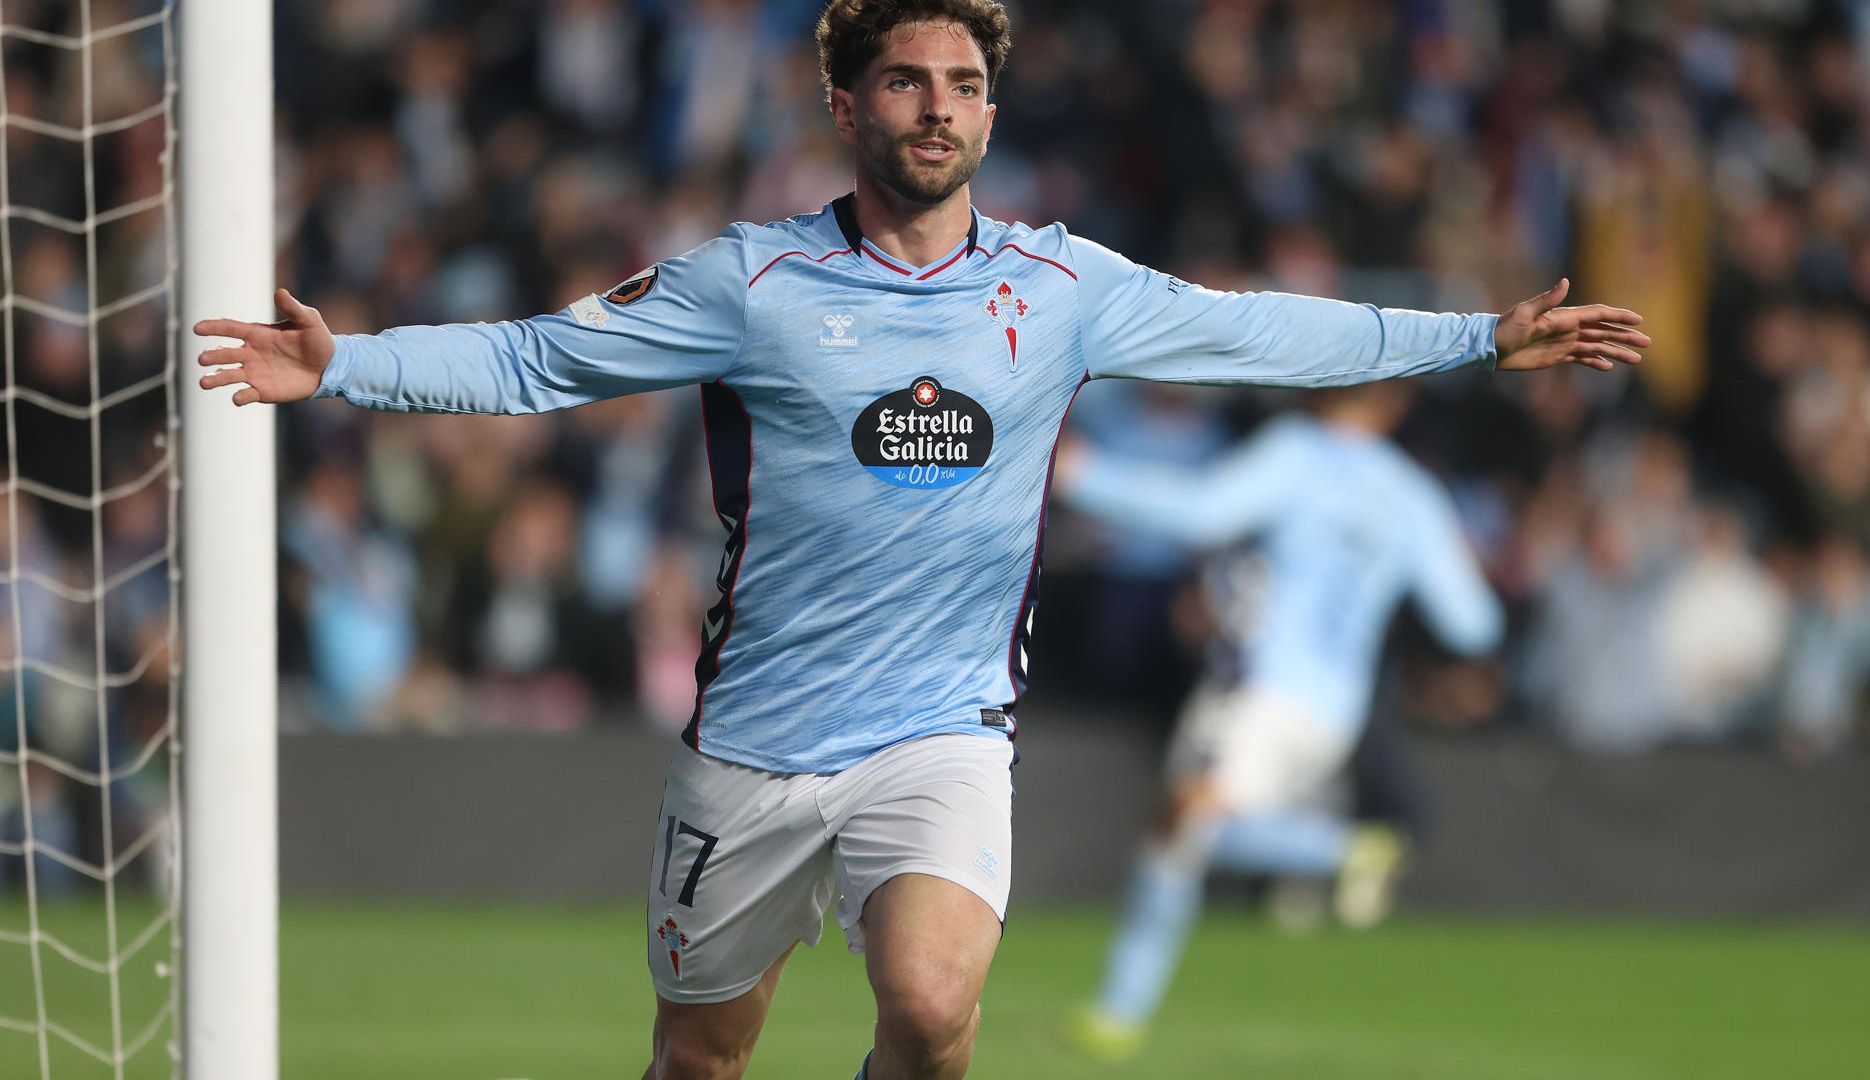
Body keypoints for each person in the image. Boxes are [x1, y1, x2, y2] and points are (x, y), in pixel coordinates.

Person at [192, 3, 1648, 1076]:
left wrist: (1472, 338)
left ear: (992, 117)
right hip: (754, 746)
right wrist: (346, 368)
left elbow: (1254, 327)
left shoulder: (1060, 285)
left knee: (936, 1011)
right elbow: (534, 362)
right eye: (906, 80)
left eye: (963, 84)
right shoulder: (750, 281)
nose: (938, 106)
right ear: (847, 104)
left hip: (942, 731)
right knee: (701, 1056)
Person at [1053, 381, 1505, 1060]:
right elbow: (1473, 622)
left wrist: (1080, 473)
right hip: (1334, 713)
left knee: (1190, 825)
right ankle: (1118, 1017)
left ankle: (1341, 849)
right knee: (1172, 837)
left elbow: (1201, 512)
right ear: (1395, 406)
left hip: (1260, 692)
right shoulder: (1412, 493)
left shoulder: (1299, 454)